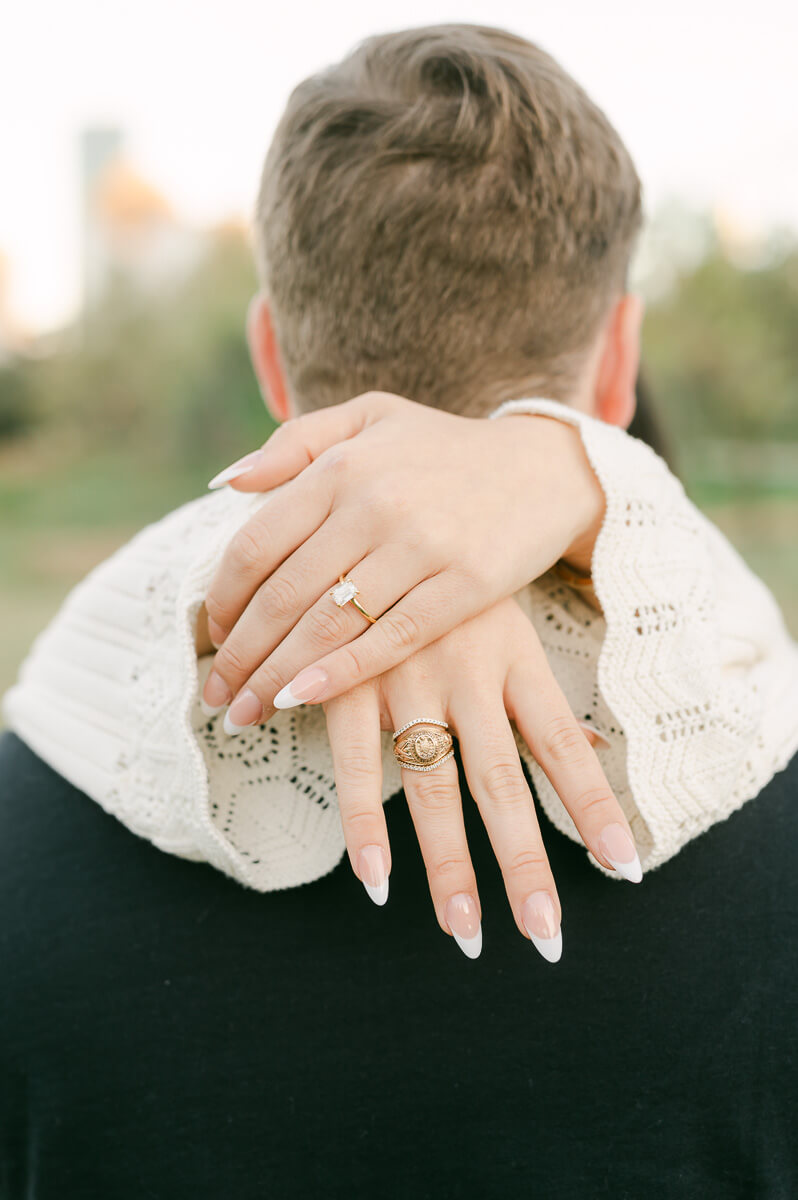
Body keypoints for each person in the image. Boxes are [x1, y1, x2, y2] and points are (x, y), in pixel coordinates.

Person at [2, 24, 797, 1198]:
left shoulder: (37, 798)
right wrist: (580, 469)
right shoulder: (759, 773)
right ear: (621, 362)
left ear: (274, 360)